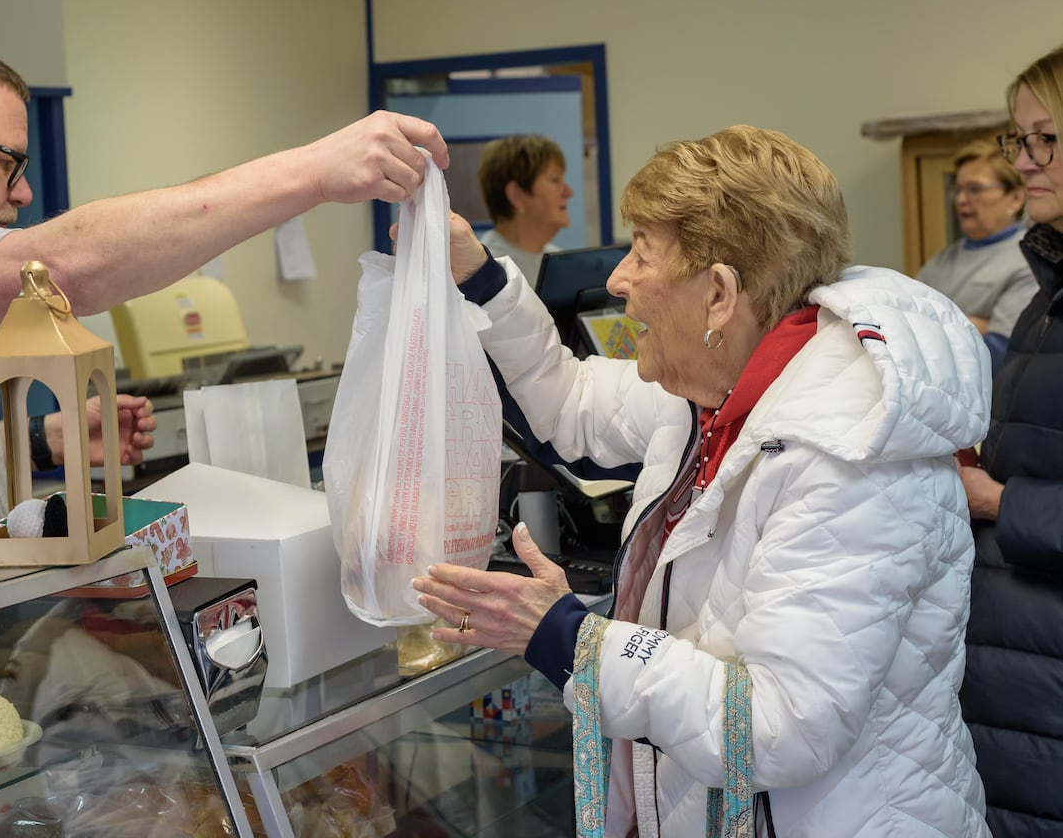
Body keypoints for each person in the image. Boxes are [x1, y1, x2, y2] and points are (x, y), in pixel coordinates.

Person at [412, 125, 990, 836]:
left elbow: (778, 727)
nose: (617, 280)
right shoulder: (713, 394)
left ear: (719, 294)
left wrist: (569, 639)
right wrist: (477, 274)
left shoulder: (850, 455)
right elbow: (568, 404)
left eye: (641, 253)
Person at [0, 38, 447, 549]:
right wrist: (313, 172)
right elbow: (59, 272)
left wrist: (38, 442)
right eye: (9, 163)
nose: (22, 192)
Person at [958, 44, 1063, 837]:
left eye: (1047, 140)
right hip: (1020, 678)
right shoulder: (1047, 299)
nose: (1024, 162)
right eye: (1018, 140)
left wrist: (999, 501)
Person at [917, 138, 1034, 368]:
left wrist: (934, 328)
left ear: (1016, 198)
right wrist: (971, 326)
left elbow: (1000, 355)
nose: (961, 200)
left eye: (975, 189)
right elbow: (903, 329)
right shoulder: (941, 260)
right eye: (957, 189)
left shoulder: (1028, 260)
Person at [475, 134, 573, 286]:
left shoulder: (561, 262)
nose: (568, 192)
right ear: (516, 195)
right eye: (555, 180)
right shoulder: (484, 271)